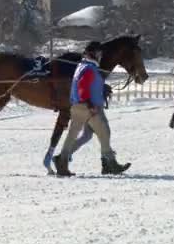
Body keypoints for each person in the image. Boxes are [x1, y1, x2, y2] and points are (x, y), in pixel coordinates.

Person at [53, 41, 130, 176]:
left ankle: (62, 160)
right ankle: (109, 163)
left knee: (73, 135)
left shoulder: (82, 66)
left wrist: (102, 89)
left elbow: (86, 85)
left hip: (78, 106)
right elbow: (83, 87)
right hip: (88, 107)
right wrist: (90, 104)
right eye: (98, 53)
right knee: (104, 131)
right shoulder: (89, 68)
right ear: (93, 54)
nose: (100, 56)